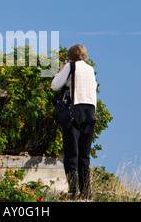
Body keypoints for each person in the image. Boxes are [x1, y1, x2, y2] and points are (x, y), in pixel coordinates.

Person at [51, 44, 97, 199]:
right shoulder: (90, 69)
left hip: (74, 112)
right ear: (84, 55)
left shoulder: (70, 66)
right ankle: (86, 193)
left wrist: (60, 71)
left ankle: (72, 191)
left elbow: (55, 86)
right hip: (90, 112)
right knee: (84, 156)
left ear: (70, 56)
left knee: (71, 154)